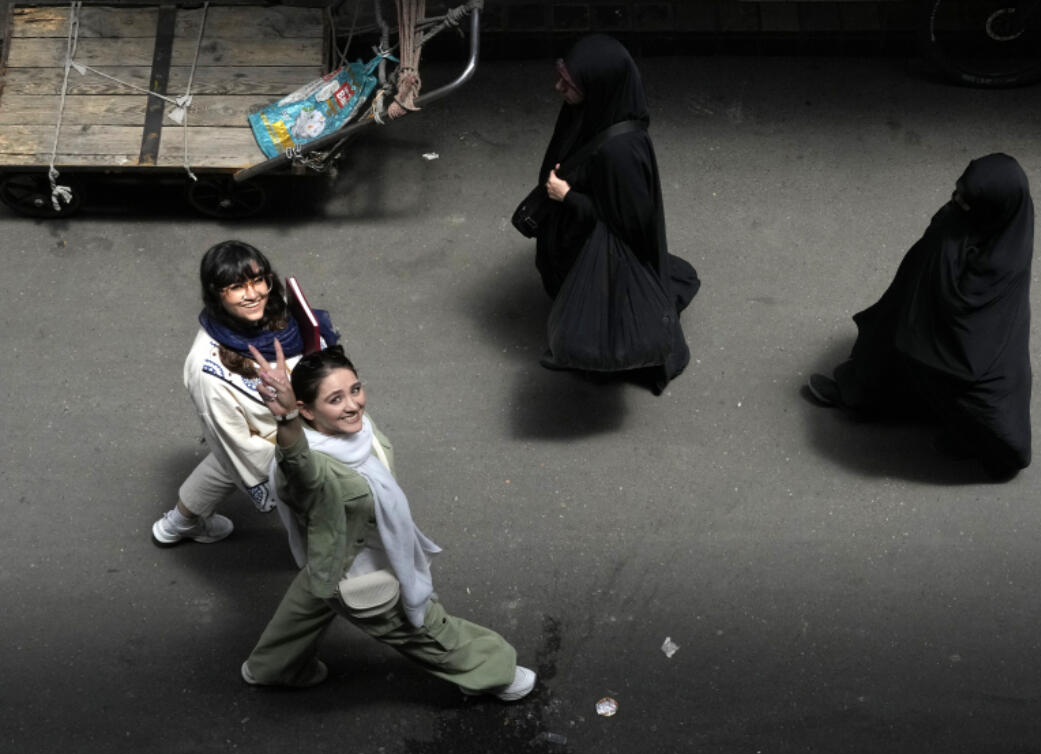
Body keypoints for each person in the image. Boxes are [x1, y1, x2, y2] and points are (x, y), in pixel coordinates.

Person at [239, 341, 536, 700]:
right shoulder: (308, 467)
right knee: (421, 626)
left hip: (334, 550)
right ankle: (492, 671)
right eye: (335, 400)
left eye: (355, 389)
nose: (353, 405)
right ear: (306, 411)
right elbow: (298, 465)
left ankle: (272, 666)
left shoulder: (354, 433)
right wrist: (285, 419)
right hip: (357, 570)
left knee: (315, 590)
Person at [807, 153, 1033, 479]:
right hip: (919, 306)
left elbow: (971, 332)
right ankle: (857, 394)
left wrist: (943, 256)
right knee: (884, 339)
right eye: (957, 192)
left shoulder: (991, 256)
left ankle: (968, 438)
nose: (955, 202)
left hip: (962, 344)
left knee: (975, 402)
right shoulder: (997, 218)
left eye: (966, 201)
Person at [533, 34, 700, 393]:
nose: (558, 85)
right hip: (580, 237)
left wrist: (567, 196)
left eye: (569, 82)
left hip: (602, 250)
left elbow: (630, 224)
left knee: (594, 326)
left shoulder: (619, 151)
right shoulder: (594, 111)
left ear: (598, 86)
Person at [151, 240, 339, 546]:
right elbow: (237, 442)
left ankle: (179, 523)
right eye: (237, 286)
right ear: (215, 293)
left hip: (292, 421)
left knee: (223, 464)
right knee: (321, 500)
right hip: (278, 440)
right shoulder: (205, 367)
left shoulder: (273, 307)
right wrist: (300, 470)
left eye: (258, 280)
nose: (253, 295)